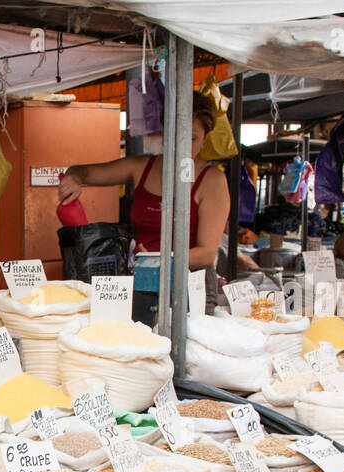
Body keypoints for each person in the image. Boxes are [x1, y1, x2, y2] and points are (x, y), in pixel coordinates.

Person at [60, 91, 231, 324]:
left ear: (205, 138)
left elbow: (207, 253)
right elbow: (85, 172)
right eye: (174, 134)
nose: (180, 145)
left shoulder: (213, 181)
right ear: (163, 131)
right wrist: (73, 178)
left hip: (189, 287)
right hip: (143, 283)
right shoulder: (141, 167)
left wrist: (153, 259)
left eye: (191, 138)